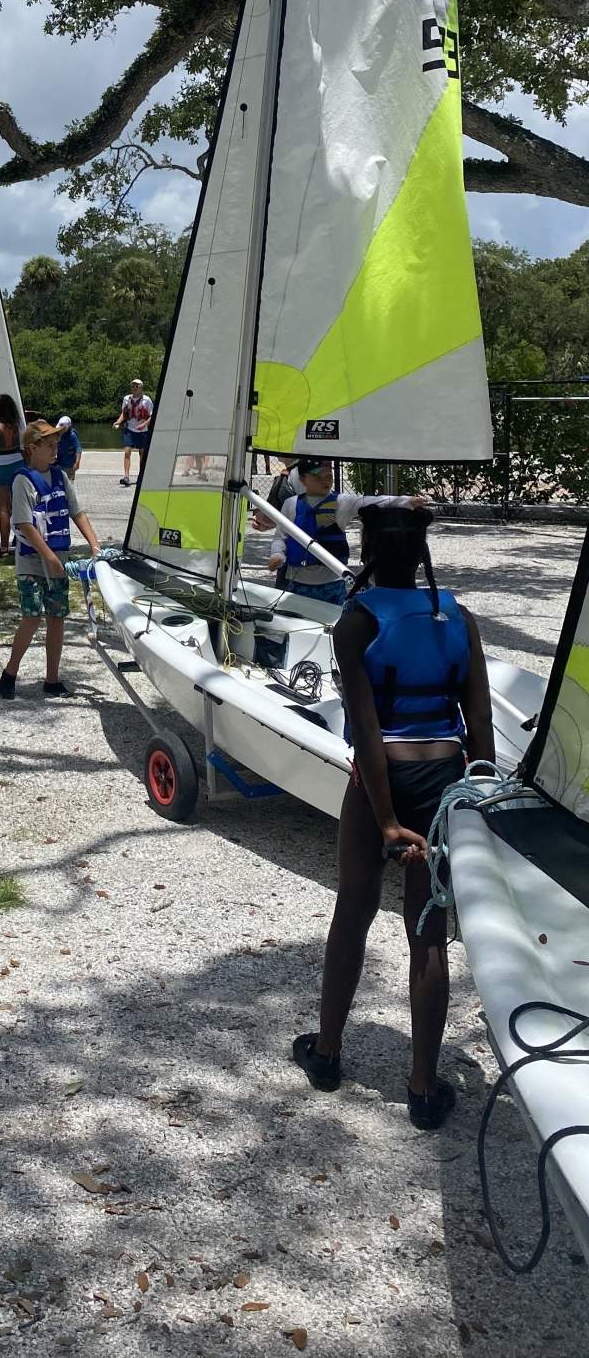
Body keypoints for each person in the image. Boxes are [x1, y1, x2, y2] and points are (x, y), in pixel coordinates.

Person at [293, 505, 494, 1131]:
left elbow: (369, 733)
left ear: (369, 549)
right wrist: (474, 798)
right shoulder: (459, 616)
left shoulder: (356, 622)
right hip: (444, 774)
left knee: (353, 909)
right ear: (421, 554)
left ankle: (327, 1054)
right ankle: (423, 1087)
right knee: (427, 931)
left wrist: (384, 821)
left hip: (383, 778)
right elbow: (480, 723)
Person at [0, 421, 102, 701]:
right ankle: (10, 673)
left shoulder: (61, 477)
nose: (56, 450)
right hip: (32, 562)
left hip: (59, 558)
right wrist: (49, 557)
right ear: (32, 449)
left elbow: (77, 512)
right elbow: (25, 524)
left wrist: (94, 544)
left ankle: (52, 679)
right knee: (31, 618)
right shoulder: (23, 480)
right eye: (49, 445)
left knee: (57, 618)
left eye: (57, 444)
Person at [266, 459, 428, 605]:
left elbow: (371, 501)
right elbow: (280, 537)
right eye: (317, 477)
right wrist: (277, 555)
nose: (325, 481)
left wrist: (406, 501)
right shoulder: (290, 505)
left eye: (328, 476)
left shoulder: (341, 502)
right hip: (297, 583)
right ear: (303, 480)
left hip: (332, 583)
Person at [0, 393, 25, 560]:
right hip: (18, 465)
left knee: (3, 509)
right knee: (20, 508)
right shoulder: (19, 425)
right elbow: (24, 449)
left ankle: (4, 547)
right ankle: (23, 542)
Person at [112, 379, 153, 487]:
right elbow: (124, 413)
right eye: (133, 386)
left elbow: (152, 415)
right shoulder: (127, 399)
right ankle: (126, 477)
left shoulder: (147, 400)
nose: (134, 388)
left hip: (142, 431)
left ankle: (141, 476)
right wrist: (118, 421)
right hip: (129, 429)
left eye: (136, 386)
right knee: (127, 452)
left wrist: (144, 424)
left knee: (142, 454)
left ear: (141, 388)